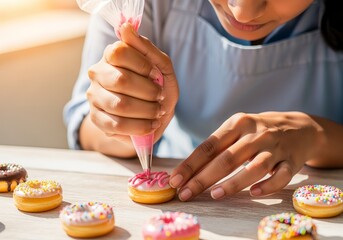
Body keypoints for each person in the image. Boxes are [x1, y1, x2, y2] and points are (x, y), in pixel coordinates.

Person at [64, 0, 343, 202]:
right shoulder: (134, 7)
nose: (243, 10)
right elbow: (84, 129)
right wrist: (121, 121)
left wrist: (319, 137)